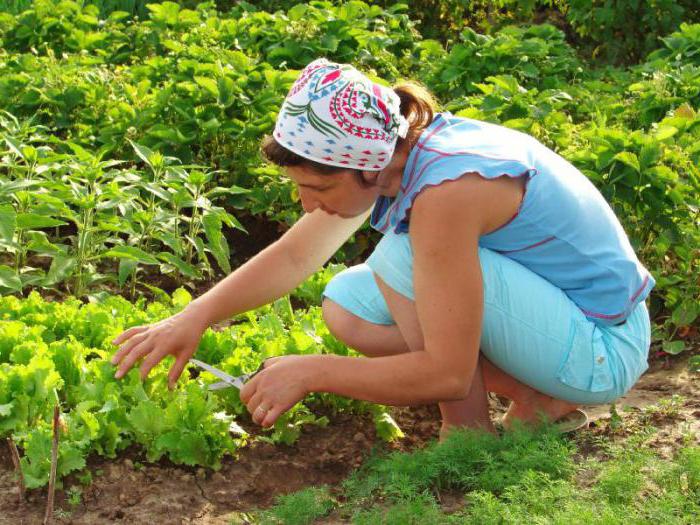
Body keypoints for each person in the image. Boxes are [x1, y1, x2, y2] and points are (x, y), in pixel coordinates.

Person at [110, 58, 654, 440]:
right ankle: (541, 401)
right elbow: (298, 257)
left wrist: (310, 371)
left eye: (318, 189)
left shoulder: (446, 192)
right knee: (349, 301)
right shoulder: (402, 154)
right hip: (562, 326)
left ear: (366, 167)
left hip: (601, 348)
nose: (306, 205)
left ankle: (467, 432)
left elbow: (445, 370)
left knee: (401, 257)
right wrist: (196, 316)